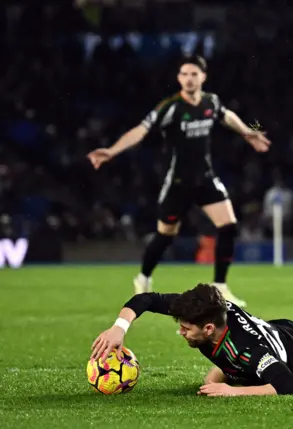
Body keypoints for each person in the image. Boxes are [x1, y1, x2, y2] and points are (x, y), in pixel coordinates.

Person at [87, 55, 271, 306]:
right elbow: (141, 130)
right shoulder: (171, 107)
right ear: (178, 78)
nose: (189, 79)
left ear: (203, 77)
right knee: (166, 235)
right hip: (178, 183)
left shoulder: (211, 101)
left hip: (205, 178)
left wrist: (248, 132)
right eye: (184, 74)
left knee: (228, 225)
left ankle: (221, 287)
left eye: (194, 74)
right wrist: (111, 150)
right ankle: (143, 277)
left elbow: (226, 116)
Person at [90, 283, 293, 396]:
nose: (180, 332)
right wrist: (119, 328)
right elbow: (146, 299)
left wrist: (231, 391)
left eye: (186, 328)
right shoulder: (201, 307)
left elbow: (290, 388)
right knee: (238, 372)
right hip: (275, 329)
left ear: (207, 329)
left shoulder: (245, 350)